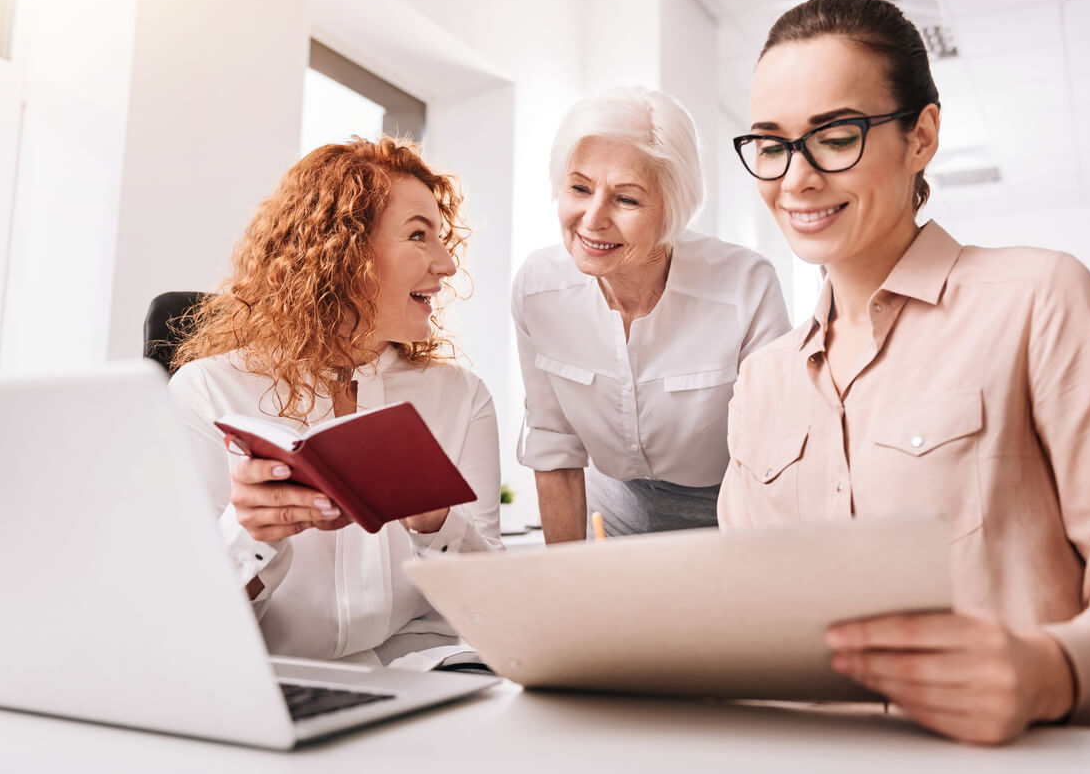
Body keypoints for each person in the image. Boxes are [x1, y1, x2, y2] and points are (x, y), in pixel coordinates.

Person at [720, 0, 1090, 743]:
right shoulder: (762, 381)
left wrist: (1047, 670)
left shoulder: (1038, 299)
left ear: (921, 136)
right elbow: (744, 623)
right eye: (771, 142)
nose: (795, 178)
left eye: (836, 135)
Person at [169, 136, 503, 668]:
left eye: (442, 239)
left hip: (416, 682)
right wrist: (250, 536)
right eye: (419, 236)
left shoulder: (461, 398)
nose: (445, 264)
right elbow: (185, 625)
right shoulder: (207, 391)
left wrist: (437, 521)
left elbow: (494, 612)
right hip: (272, 683)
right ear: (341, 253)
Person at [514, 86, 791, 542]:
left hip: (729, 512)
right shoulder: (538, 288)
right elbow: (554, 445)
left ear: (673, 212)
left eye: (626, 199)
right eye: (580, 188)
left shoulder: (745, 285)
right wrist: (567, 587)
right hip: (612, 514)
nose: (592, 219)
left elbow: (769, 457)